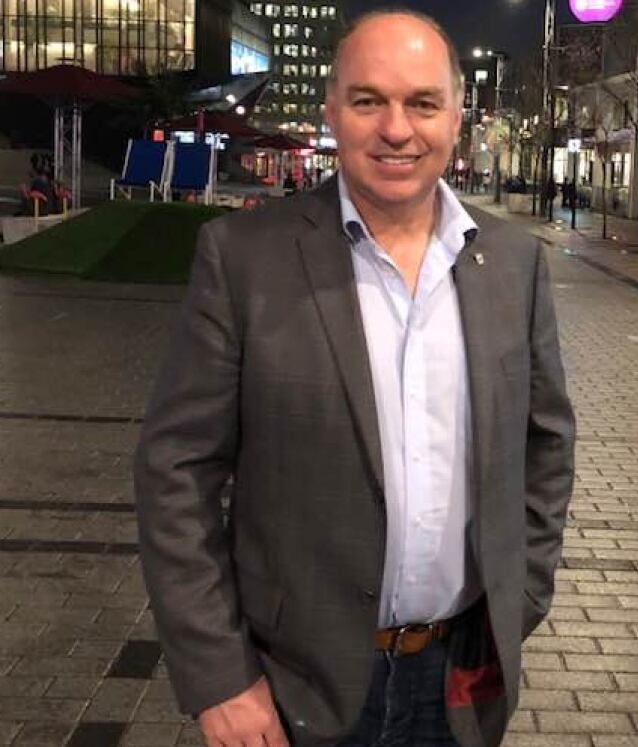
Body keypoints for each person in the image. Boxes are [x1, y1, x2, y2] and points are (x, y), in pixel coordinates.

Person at [135, 10, 575, 747]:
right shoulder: (244, 257)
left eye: (422, 103)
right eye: (369, 100)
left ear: (456, 118)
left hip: (458, 684)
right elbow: (175, 470)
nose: (396, 129)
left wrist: (517, 593)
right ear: (332, 110)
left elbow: (546, 444)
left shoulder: (514, 263)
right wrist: (220, 675)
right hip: (289, 690)